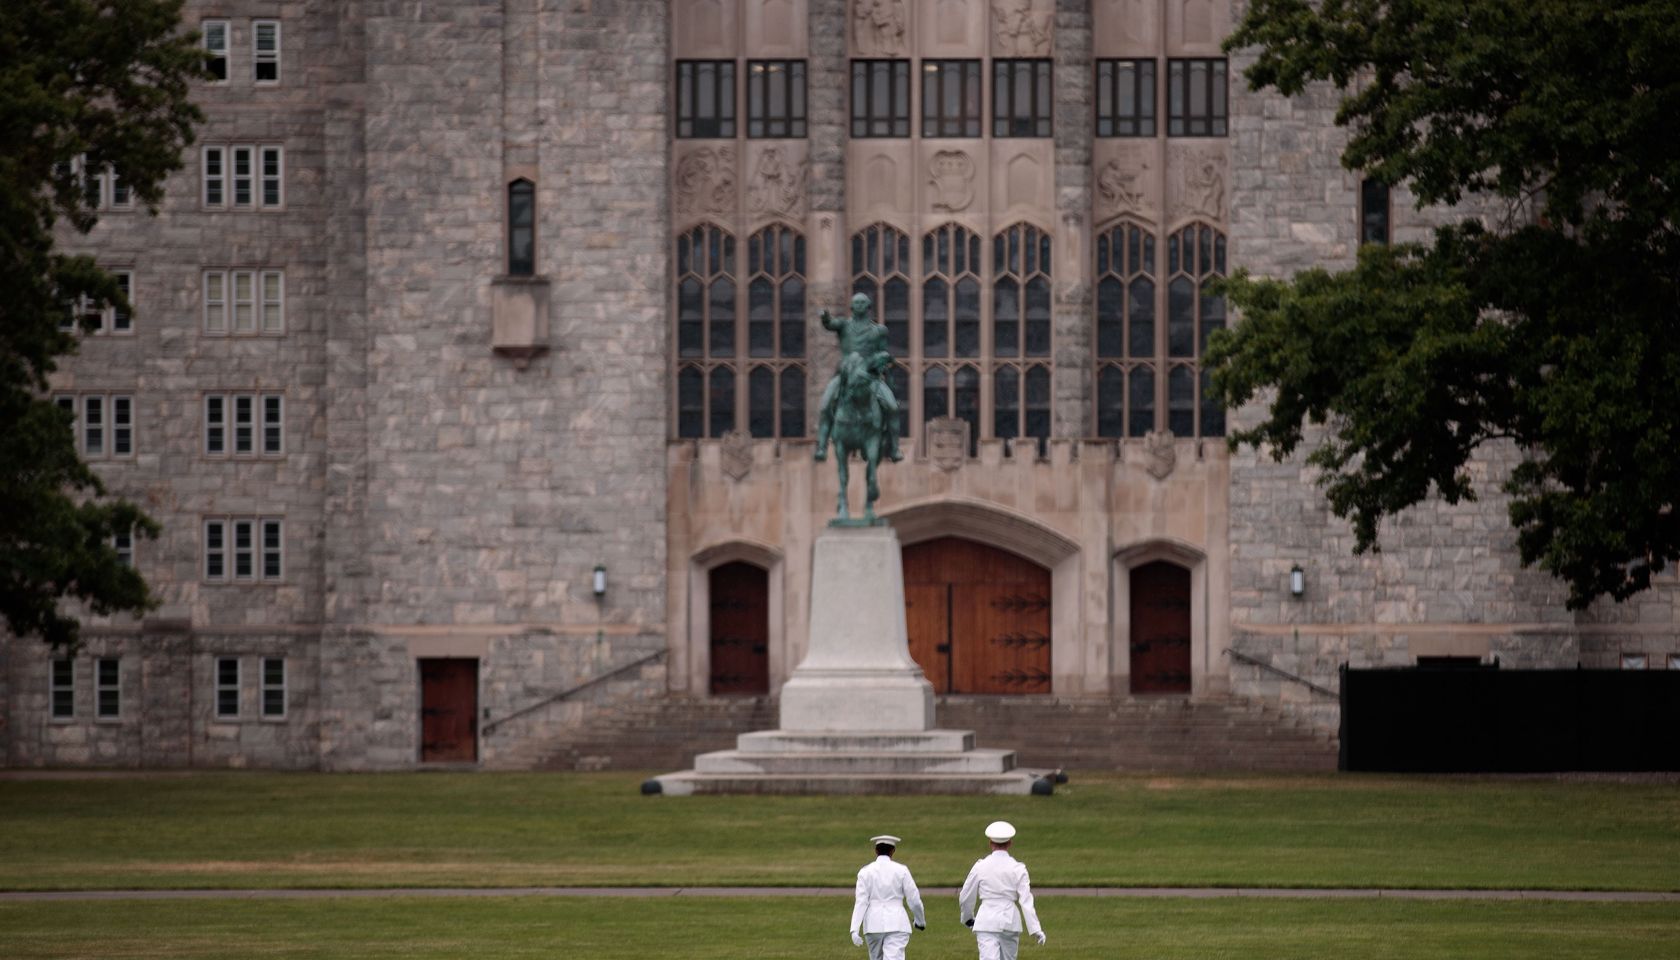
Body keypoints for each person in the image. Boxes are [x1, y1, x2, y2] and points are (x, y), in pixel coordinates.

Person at [815, 293, 903, 464]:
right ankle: (822, 447)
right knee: (825, 405)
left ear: (869, 306)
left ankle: (894, 448)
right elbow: (829, 324)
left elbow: (882, 353)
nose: (859, 305)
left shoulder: (878, 330)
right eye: (856, 303)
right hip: (846, 375)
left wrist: (882, 362)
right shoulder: (844, 325)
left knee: (892, 407)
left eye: (863, 303)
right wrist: (824, 315)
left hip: (871, 377)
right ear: (852, 306)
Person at [958, 820, 1045, 960]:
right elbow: (1026, 901)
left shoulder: (980, 866)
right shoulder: (1018, 868)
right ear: (1010, 843)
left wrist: (967, 917)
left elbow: (966, 895)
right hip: (1009, 921)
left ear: (990, 843)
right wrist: (1036, 929)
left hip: (986, 920)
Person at [850, 833, 926, 960]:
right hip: (897, 923)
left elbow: (861, 902)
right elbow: (914, 900)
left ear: (876, 851)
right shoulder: (901, 870)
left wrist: (854, 929)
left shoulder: (865, 872)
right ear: (893, 851)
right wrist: (920, 921)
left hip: (873, 926)